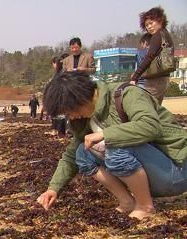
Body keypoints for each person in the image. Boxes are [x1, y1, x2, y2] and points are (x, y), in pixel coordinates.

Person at [36, 72, 187, 219]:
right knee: (82, 152)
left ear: (77, 99)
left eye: (69, 111)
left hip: (176, 171)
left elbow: (150, 126)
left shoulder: (126, 95)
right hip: (153, 179)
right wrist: (53, 189)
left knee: (113, 144)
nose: (71, 117)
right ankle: (127, 202)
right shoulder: (85, 118)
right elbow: (70, 157)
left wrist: (105, 134)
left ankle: (145, 206)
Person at [130, 6, 174, 103]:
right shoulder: (166, 34)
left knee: (142, 107)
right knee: (155, 110)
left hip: (155, 81)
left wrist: (135, 77)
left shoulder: (158, 35)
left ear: (160, 20)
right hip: (164, 78)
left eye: (151, 23)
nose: (149, 27)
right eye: (146, 25)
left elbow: (149, 57)